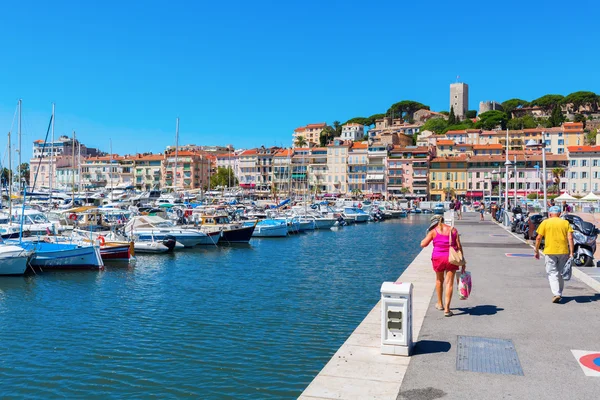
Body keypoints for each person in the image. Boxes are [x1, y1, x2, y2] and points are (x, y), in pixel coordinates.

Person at [421, 215, 465, 317]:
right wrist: (463, 262)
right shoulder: (453, 230)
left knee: (439, 280)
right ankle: (447, 309)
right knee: (449, 283)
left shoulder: (433, 231)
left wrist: (427, 235)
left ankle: (440, 304)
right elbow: (458, 246)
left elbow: (423, 244)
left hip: (438, 258)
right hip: (451, 258)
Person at [534, 205, 574, 303]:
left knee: (552, 272)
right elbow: (570, 238)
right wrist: (572, 252)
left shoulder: (545, 222)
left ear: (550, 214)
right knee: (561, 273)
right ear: (559, 214)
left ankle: (556, 293)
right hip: (563, 251)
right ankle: (559, 292)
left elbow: (538, 238)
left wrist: (536, 250)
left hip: (550, 251)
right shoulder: (565, 223)